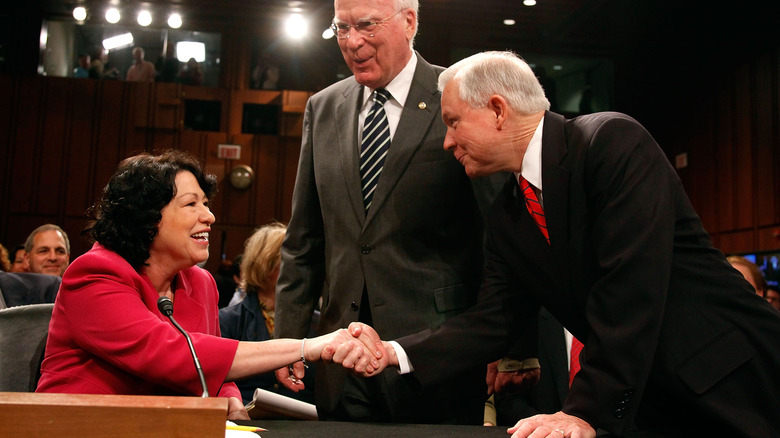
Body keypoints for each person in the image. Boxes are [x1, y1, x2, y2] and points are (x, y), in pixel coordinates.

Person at [346, 51, 780, 437]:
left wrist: (583, 411)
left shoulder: (611, 141)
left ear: (498, 110)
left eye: (453, 121)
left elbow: (630, 288)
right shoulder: (506, 213)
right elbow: (494, 320)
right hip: (654, 400)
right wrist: (394, 352)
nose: (447, 141)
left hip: (738, 381)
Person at [35, 150, 383, 420]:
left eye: (206, 203)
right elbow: (174, 355)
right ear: (146, 216)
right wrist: (306, 346)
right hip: (78, 426)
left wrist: (230, 397)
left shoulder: (200, 283)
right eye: (191, 205)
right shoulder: (94, 273)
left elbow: (212, 373)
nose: (209, 216)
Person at [274, 0, 488, 424]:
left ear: (409, 22)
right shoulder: (323, 107)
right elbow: (304, 241)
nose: (352, 42)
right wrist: (289, 341)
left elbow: (498, 234)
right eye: (341, 28)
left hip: (435, 356)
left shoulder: (457, 95)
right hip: (340, 356)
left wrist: (516, 349)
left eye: (367, 26)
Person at [220, 222, 315, 404]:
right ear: (266, 264)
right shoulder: (227, 321)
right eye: (290, 261)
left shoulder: (318, 322)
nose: (300, 269)